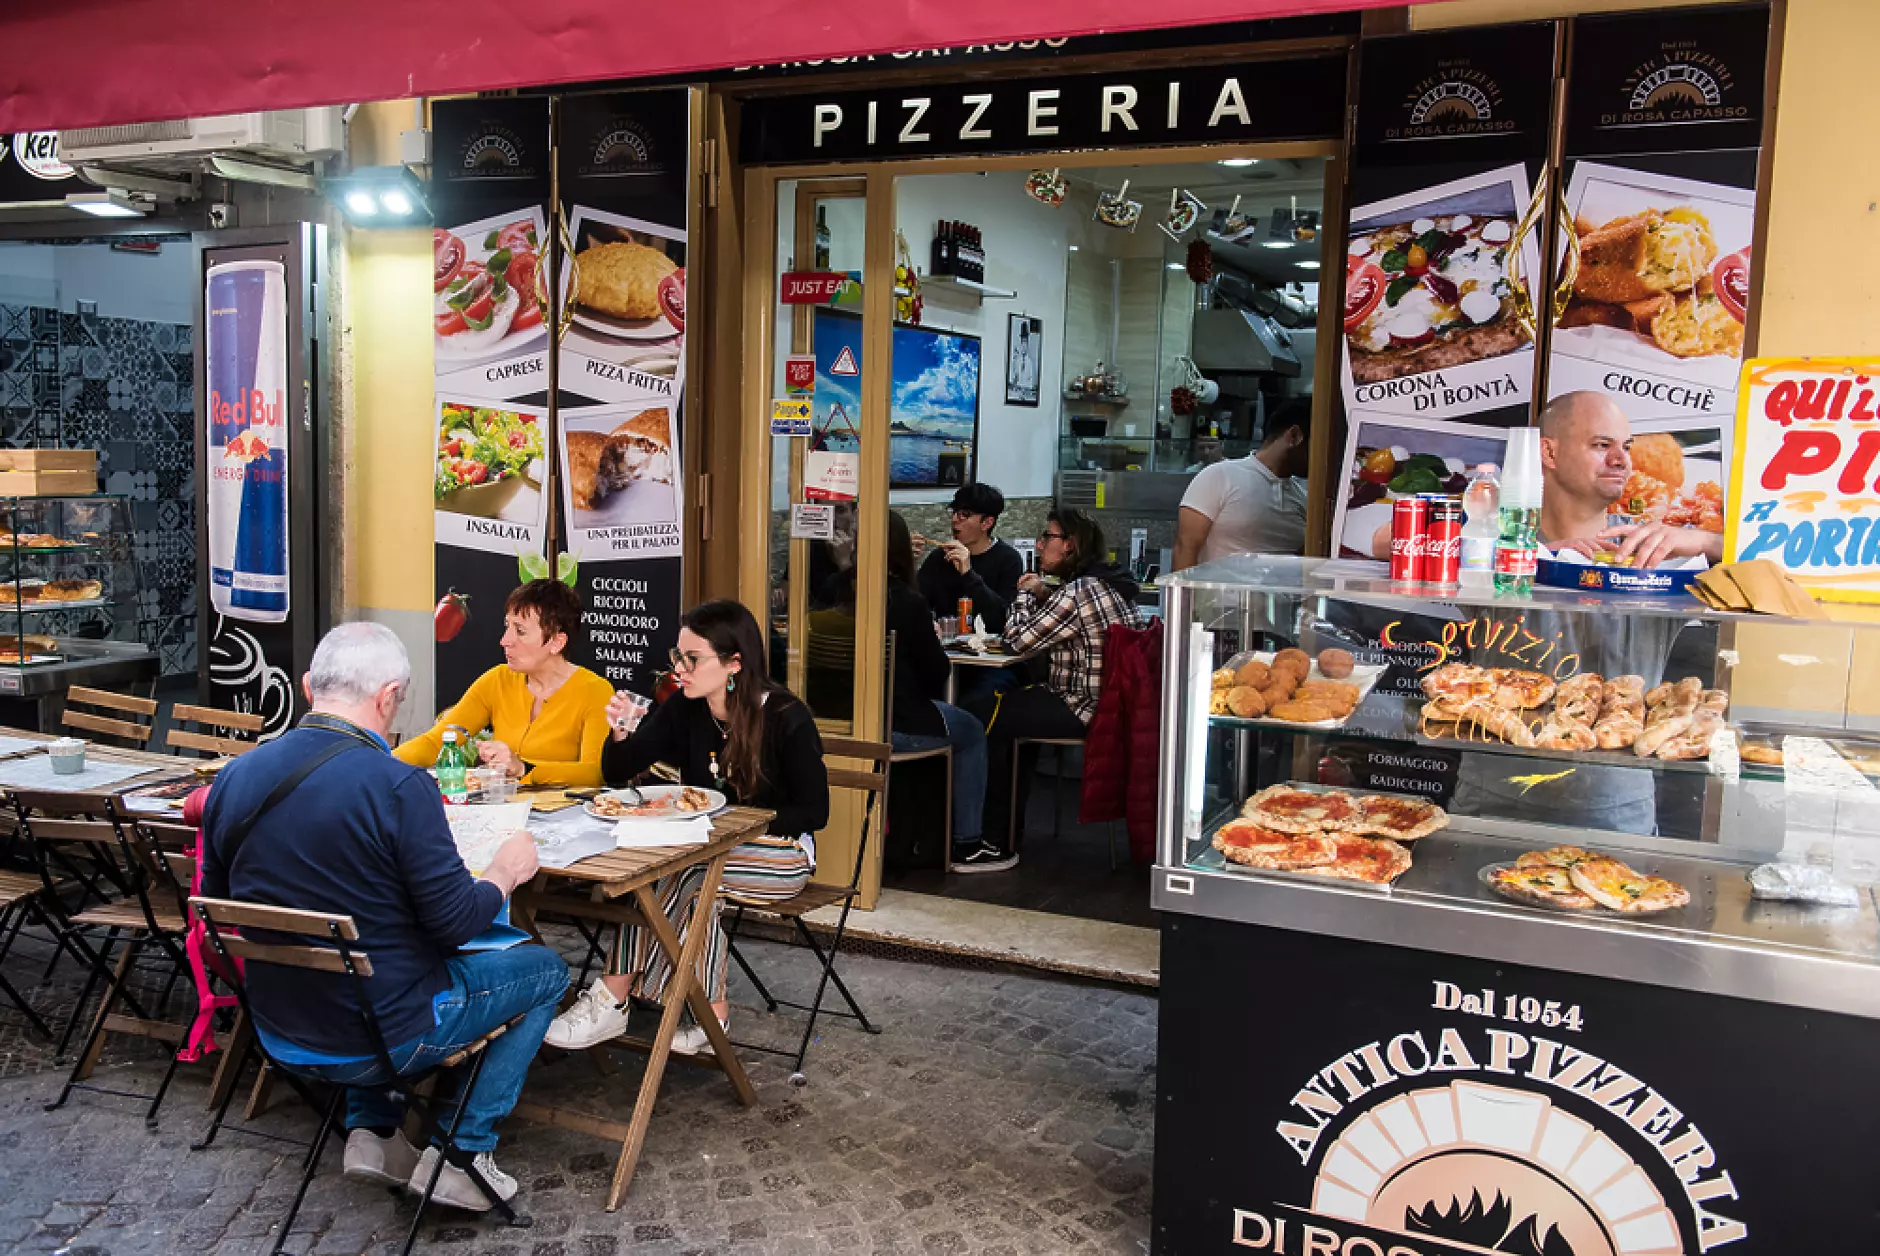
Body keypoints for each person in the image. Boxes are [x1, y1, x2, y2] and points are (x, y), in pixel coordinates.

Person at [199, 622, 565, 1212]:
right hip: (382, 1033)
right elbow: (455, 923)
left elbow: (221, 905)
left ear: (308, 686)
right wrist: (505, 872)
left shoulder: (237, 775)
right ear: (390, 696)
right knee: (544, 970)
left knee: (382, 949)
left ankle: (373, 1132)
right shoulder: (398, 785)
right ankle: (460, 1156)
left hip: (281, 1024)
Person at [545, 600, 829, 1056]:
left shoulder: (784, 716)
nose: (679, 669)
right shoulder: (686, 707)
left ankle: (612, 997)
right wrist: (619, 732)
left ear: (734, 663)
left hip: (780, 853)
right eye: (677, 657)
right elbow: (620, 768)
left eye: (692, 659)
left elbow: (815, 811)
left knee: (682, 873)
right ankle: (710, 1016)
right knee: (688, 874)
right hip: (706, 854)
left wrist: (736, 826)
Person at [962, 508, 1144, 871]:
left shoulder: (1079, 591)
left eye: (1048, 538)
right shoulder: (1108, 585)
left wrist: (1028, 594)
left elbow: (1015, 641)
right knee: (1010, 711)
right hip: (1108, 706)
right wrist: (1044, 590)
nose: (1042, 545)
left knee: (981, 715)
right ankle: (1007, 830)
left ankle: (994, 841)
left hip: (1078, 706)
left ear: (1071, 546)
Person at [396, 579, 614, 788]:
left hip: (567, 818)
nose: (505, 641)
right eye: (507, 627)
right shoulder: (497, 679)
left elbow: (594, 773)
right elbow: (436, 742)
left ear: (557, 642)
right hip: (504, 811)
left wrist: (524, 768)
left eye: (520, 632)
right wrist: (380, 761)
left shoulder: (595, 691)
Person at [886, 511, 987, 865]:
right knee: (972, 729)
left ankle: (915, 832)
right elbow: (936, 675)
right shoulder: (907, 601)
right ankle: (967, 841)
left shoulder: (836, 590)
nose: (954, 521)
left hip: (848, 719)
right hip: (898, 725)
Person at [1539, 390, 1722, 568]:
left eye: (1626, 448)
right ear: (1549, 453)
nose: (1621, 461)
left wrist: (1707, 541)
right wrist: (1534, 558)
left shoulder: (1649, 540)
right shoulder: (1514, 539)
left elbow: (1747, 562)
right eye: (1602, 445)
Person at [1174, 409, 1310, 570]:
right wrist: (1185, 595)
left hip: (1280, 594)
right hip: (1218, 594)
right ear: (1294, 436)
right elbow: (1186, 546)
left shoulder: (1303, 497)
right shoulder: (1220, 475)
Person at [918, 481, 1025, 634]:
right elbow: (916, 603)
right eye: (954, 512)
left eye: (964, 515)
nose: (955, 519)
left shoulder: (1008, 559)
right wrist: (906, 560)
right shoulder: (940, 557)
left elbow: (1003, 618)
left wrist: (968, 574)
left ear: (987, 523)